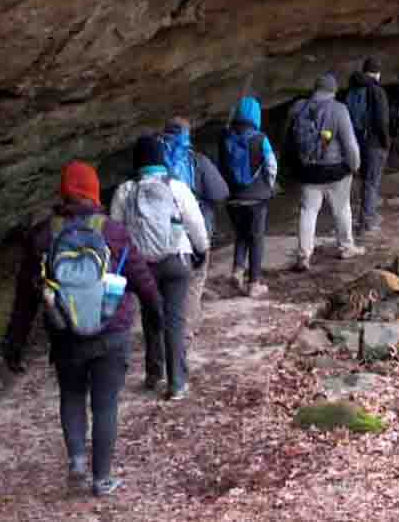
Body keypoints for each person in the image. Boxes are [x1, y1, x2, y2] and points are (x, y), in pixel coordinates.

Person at [2, 161, 163, 497]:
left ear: (63, 192)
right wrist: (157, 311)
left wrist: (14, 342)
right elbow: (142, 279)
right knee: (105, 405)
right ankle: (102, 479)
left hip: (65, 333)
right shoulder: (113, 231)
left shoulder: (44, 234)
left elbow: (25, 296)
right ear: (93, 191)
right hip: (112, 332)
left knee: (72, 396)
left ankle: (76, 461)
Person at [111, 136, 209, 401]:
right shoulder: (176, 187)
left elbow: (115, 232)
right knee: (175, 320)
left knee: (152, 317)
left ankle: (154, 374)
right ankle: (177, 382)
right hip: (176, 260)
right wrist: (202, 248)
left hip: (143, 266)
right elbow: (195, 223)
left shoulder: (125, 192)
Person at [159, 118, 228, 340]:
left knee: (165, 282)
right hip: (194, 229)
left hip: (161, 234)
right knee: (194, 281)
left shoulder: (154, 162)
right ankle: (186, 328)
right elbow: (220, 192)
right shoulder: (196, 161)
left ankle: (163, 327)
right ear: (187, 136)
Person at [287, 72, 363, 272]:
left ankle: (304, 255)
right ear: (333, 90)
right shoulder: (339, 109)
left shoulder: (298, 107)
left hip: (308, 171)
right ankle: (346, 246)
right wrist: (354, 166)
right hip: (335, 170)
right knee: (341, 209)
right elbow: (350, 145)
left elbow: (288, 140)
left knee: (308, 212)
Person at [218, 96, 278, 297]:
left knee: (241, 234)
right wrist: (268, 186)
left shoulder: (226, 138)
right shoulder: (260, 139)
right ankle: (254, 283)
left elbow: (222, 167)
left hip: (233, 199)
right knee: (256, 239)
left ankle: (237, 270)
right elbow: (271, 165)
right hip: (256, 199)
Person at [347, 57, 391, 234]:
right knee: (372, 181)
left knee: (364, 180)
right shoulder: (376, 91)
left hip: (357, 140)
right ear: (377, 73)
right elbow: (381, 120)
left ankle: (365, 215)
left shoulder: (352, 90)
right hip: (373, 142)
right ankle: (367, 220)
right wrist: (386, 141)